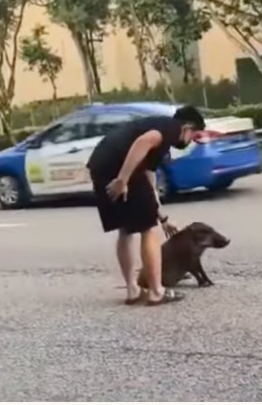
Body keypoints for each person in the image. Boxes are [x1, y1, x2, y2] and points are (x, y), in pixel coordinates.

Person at [86, 105, 206, 307]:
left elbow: (149, 176)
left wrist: (161, 216)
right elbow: (144, 142)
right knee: (148, 230)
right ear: (187, 127)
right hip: (119, 167)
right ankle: (156, 291)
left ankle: (133, 290)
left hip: (100, 165)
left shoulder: (158, 130)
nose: (192, 140)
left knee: (126, 229)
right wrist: (123, 179)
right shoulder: (171, 128)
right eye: (194, 134)